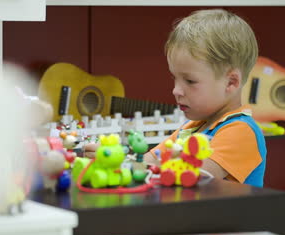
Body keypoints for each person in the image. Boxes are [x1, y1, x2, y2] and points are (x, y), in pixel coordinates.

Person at [85, 9, 266, 187]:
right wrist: (114, 158)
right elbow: (148, 164)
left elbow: (189, 177)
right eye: (175, 78)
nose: (176, 90)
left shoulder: (240, 132)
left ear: (231, 82)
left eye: (190, 81)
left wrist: (123, 164)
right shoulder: (191, 129)